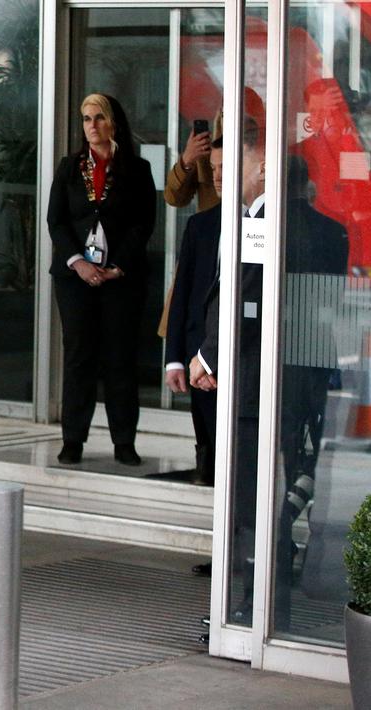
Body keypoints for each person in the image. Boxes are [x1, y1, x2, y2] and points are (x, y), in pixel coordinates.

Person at [191, 138, 347, 625]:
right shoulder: (332, 232)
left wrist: (207, 357)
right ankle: (263, 602)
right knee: (277, 495)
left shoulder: (262, 224)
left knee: (251, 500)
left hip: (255, 380)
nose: (229, 172)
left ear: (264, 171)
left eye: (240, 163)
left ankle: (253, 607)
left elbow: (246, 301)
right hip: (302, 379)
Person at [47, 94, 157, 466]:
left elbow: (143, 223)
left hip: (121, 279)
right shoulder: (69, 167)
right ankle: (72, 439)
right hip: (75, 277)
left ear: (113, 123)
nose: (91, 126)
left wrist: (118, 266)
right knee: (79, 356)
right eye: (85, 119)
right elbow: (56, 221)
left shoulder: (136, 169)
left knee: (119, 358)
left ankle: (124, 441)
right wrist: (79, 263)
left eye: (98, 118)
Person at [165, 138, 225, 486]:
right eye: (213, 168)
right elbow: (181, 294)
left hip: (233, 358)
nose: (216, 176)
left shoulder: (263, 225)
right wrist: (175, 358)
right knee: (205, 447)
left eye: (224, 168)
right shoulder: (200, 225)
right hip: (195, 354)